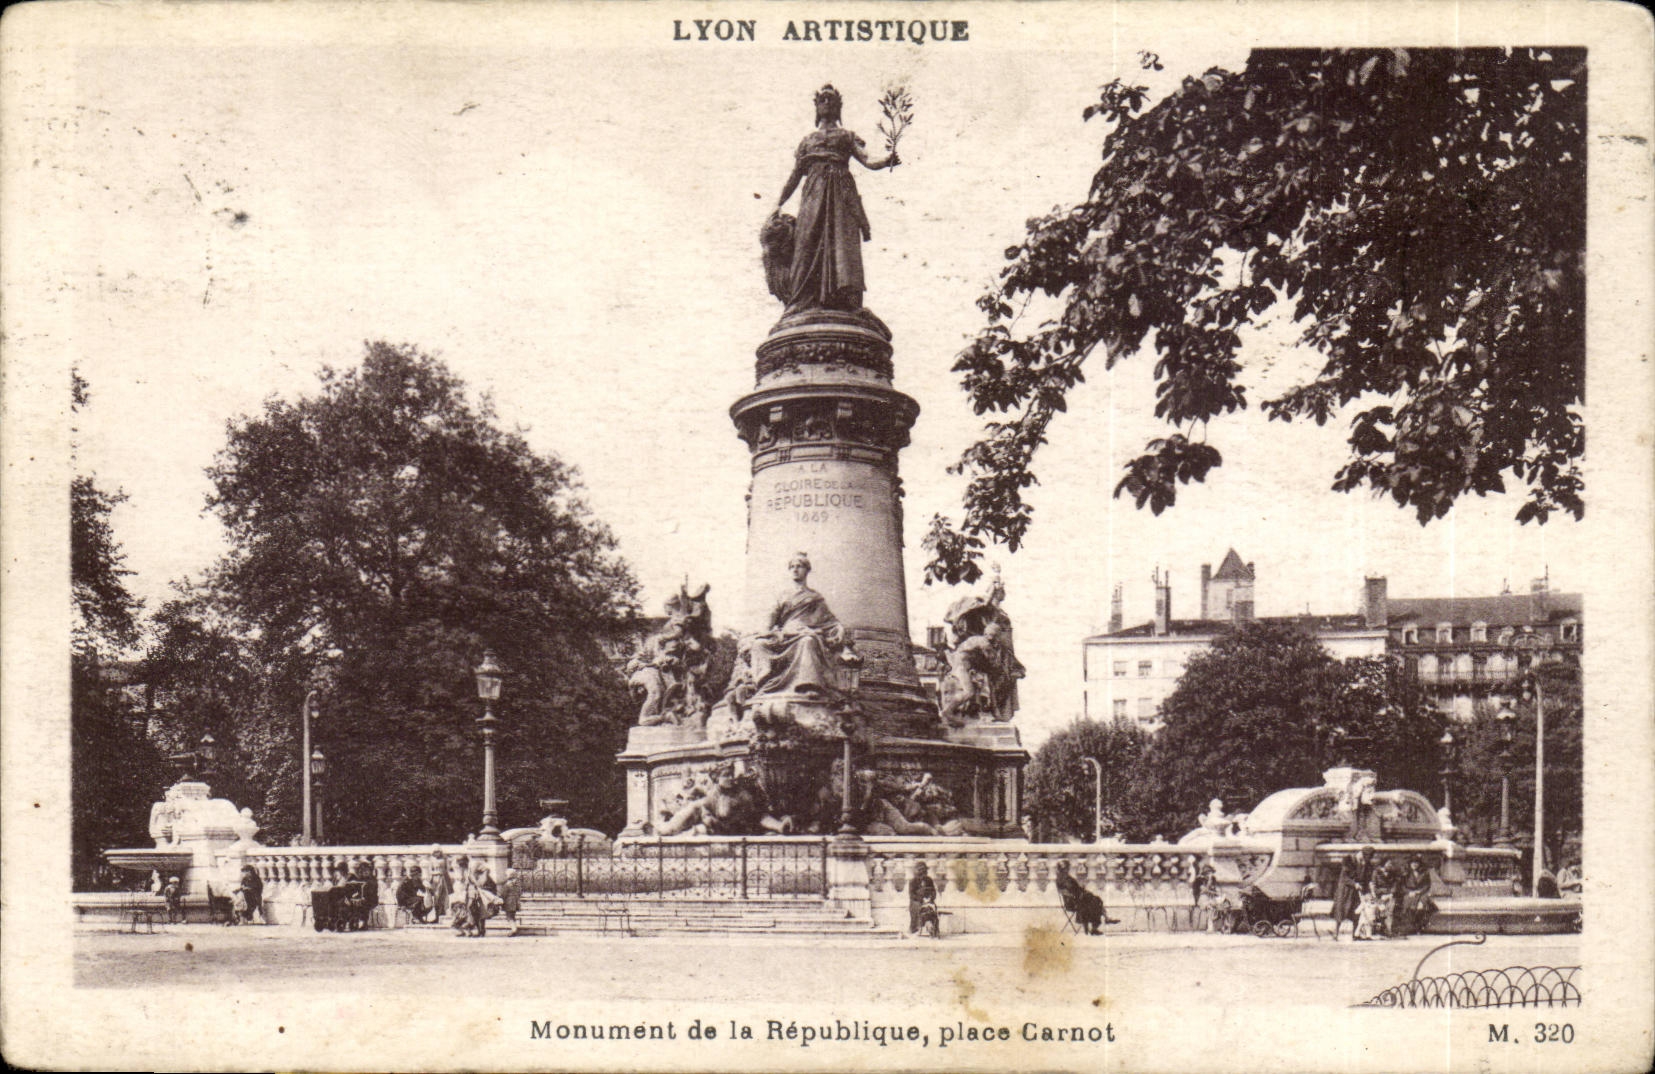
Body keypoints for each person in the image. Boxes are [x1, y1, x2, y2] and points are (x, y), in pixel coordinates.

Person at [772, 85, 898, 313]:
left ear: (839, 107)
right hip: (813, 193)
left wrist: (887, 160)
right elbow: (794, 176)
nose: (827, 104)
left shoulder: (847, 136)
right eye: (823, 100)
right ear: (817, 107)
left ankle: (846, 301)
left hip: (841, 195)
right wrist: (778, 204)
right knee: (806, 242)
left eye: (832, 100)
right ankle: (800, 301)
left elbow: (868, 160)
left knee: (843, 244)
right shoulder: (807, 141)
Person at [748, 553, 848, 698]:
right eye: (792, 567)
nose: (795, 570)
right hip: (785, 635)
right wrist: (766, 632)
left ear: (807, 570)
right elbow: (770, 620)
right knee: (759, 644)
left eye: (799, 566)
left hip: (804, 633)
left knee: (807, 641)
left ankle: (808, 685)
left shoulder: (814, 597)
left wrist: (839, 629)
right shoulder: (782, 596)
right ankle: (765, 684)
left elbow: (829, 620)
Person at [1054, 861, 1114, 935]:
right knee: (1095, 901)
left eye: (1067, 868)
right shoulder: (1061, 880)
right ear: (1062, 869)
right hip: (1072, 902)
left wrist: (1082, 891)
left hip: (1078, 899)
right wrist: (1078, 895)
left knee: (1095, 900)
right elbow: (1064, 892)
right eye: (1065, 868)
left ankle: (1102, 921)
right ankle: (1100, 923)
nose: (1067, 870)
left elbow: (1076, 889)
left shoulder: (1067, 878)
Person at [1394, 857, 1435, 936]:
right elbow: (1402, 886)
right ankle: (1409, 926)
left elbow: (1427, 885)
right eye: (1413, 863)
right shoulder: (1405, 873)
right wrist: (1409, 892)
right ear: (1410, 864)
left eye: (1416, 863)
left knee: (1421, 907)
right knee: (1409, 907)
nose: (1414, 864)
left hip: (1421, 894)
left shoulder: (1424, 873)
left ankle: (1419, 926)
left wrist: (1420, 891)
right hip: (1409, 894)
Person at [909, 863, 939, 937]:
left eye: (924, 871)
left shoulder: (929, 880)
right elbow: (912, 895)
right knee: (918, 907)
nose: (923, 873)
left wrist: (930, 898)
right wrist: (921, 899)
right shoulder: (913, 881)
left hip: (928, 900)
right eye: (921, 871)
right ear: (917, 872)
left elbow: (933, 891)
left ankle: (933, 928)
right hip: (916, 901)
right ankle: (916, 927)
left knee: (932, 908)